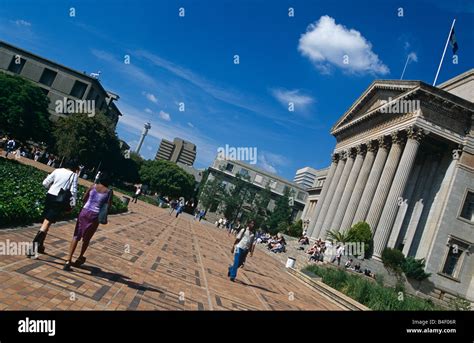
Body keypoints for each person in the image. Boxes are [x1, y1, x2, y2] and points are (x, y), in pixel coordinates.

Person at [27, 160, 79, 257]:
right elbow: (73, 191)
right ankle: (33, 248)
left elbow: (45, 183)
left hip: (50, 196)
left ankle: (40, 245)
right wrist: (73, 204)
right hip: (59, 200)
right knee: (47, 223)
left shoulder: (57, 170)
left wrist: (52, 187)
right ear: (74, 168)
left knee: (46, 222)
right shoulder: (73, 175)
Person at [63, 173, 113, 271]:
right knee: (86, 239)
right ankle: (80, 257)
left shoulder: (92, 187)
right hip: (95, 216)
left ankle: (68, 260)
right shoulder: (108, 192)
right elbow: (108, 206)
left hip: (84, 212)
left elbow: (84, 199)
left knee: (76, 236)